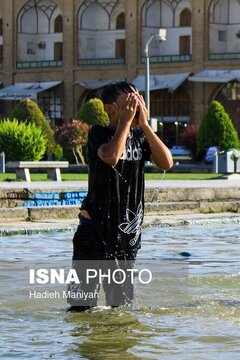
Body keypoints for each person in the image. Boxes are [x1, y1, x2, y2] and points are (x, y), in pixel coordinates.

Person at [67, 81, 173, 312]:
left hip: (125, 235)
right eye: (128, 102)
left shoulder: (140, 137)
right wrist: (125, 122)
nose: (134, 106)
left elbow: (167, 162)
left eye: (138, 100)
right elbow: (112, 157)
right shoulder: (99, 133)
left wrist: (144, 126)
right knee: (81, 306)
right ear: (109, 108)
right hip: (93, 232)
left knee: (122, 307)